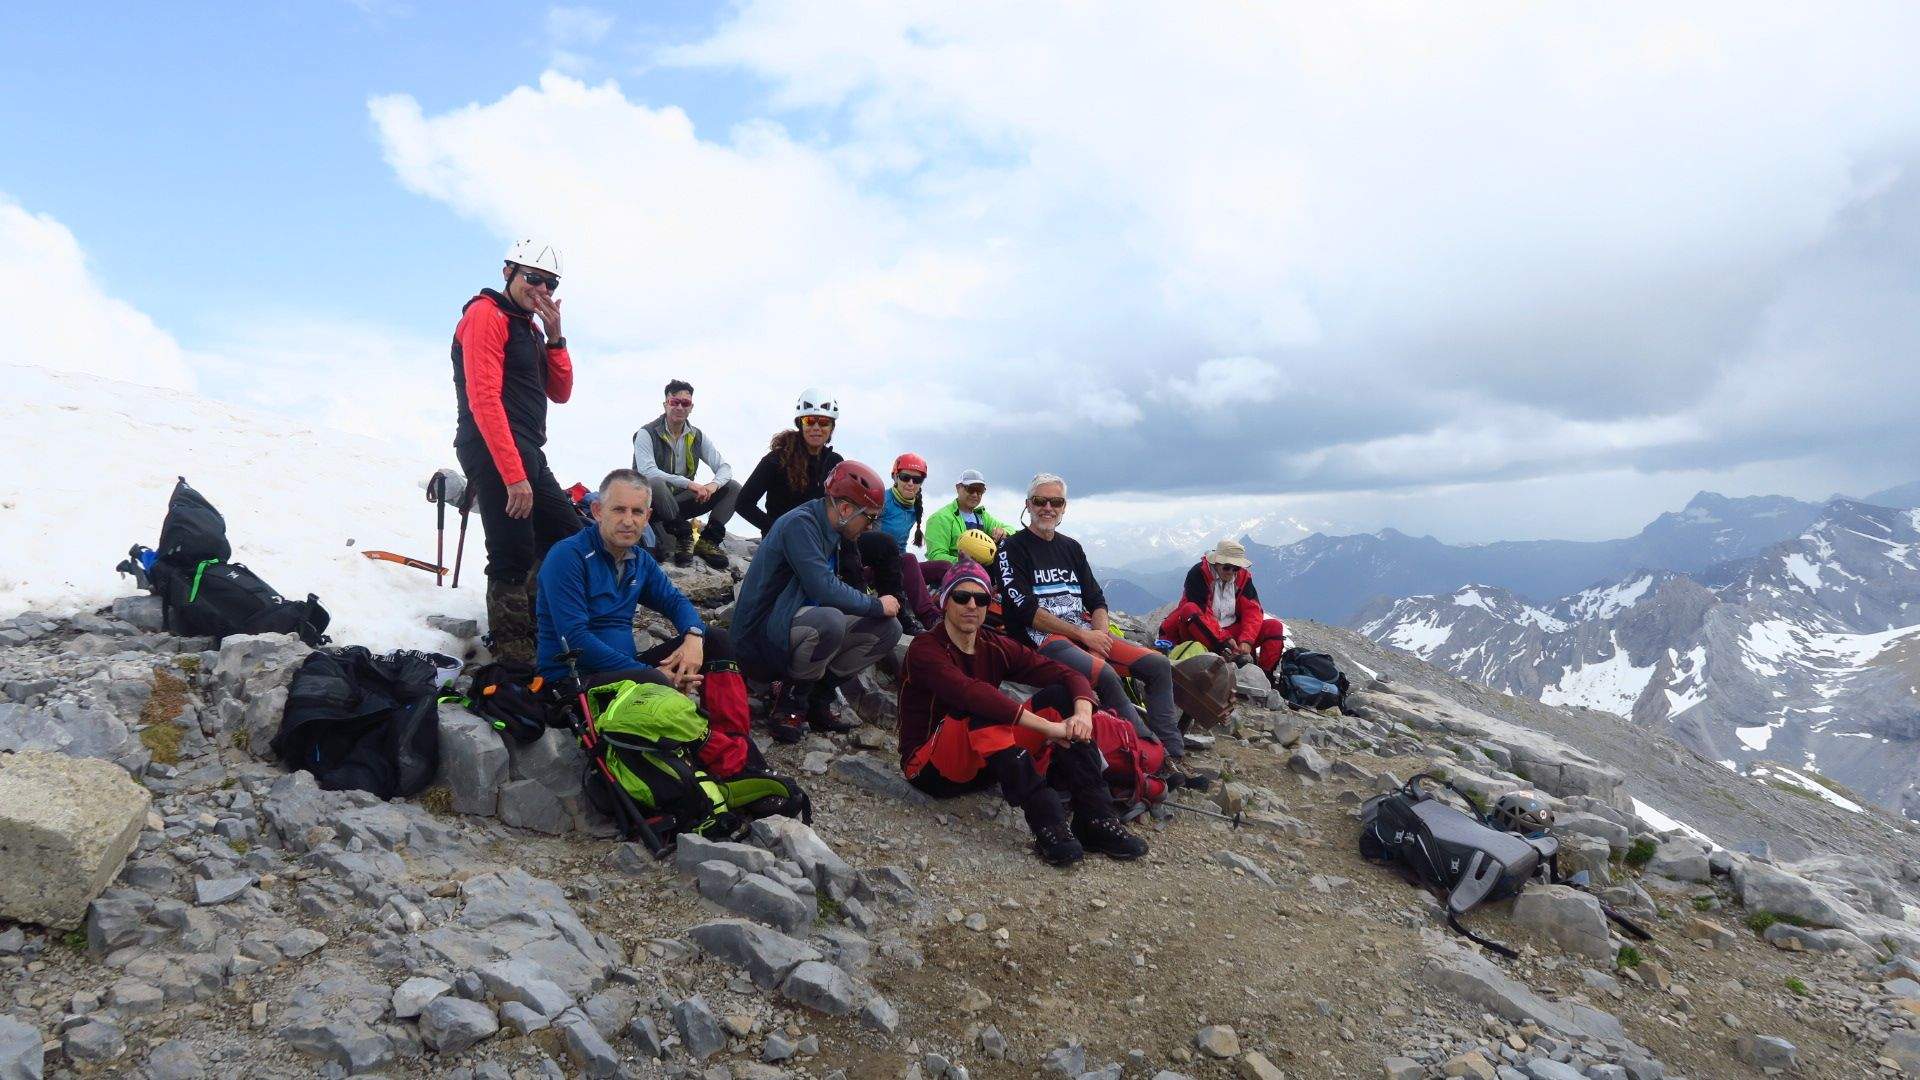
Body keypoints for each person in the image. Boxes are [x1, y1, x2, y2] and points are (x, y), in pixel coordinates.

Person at [899, 562, 1148, 866]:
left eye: (981, 599)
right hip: (930, 767)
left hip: (987, 760)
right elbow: (970, 694)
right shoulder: (925, 648)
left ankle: (1096, 818)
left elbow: (1068, 674)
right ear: (945, 601)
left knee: (1060, 697)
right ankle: (1048, 821)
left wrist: (1083, 714)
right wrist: (1049, 729)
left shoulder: (993, 645)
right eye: (961, 597)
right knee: (982, 705)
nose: (972, 606)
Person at [535, 470, 759, 776]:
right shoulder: (568, 557)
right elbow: (574, 639)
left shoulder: (639, 560)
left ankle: (735, 740)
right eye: (619, 509)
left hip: (625, 671)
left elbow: (675, 602)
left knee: (715, 639)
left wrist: (694, 636)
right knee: (657, 684)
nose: (628, 521)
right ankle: (732, 765)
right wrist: (650, 674)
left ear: (648, 516)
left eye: (637, 512)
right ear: (598, 511)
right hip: (573, 682)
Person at [995, 473, 1202, 787]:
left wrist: (1099, 637)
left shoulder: (1071, 548)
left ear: (1064, 507)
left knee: (1159, 665)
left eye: (1056, 502)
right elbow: (1025, 610)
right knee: (1103, 674)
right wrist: (1083, 637)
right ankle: (1151, 759)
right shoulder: (1012, 549)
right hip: (1042, 639)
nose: (1048, 508)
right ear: (1028, 505)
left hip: (1083, 633)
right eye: (1040, 501)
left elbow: (1096, 600)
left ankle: (1173, 752)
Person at [451, 238, 579, 666]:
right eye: (532, 278)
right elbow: (484, 399)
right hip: (490, 444)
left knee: (565, 534)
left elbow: (560, 392)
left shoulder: (530, 327)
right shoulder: (485, 314)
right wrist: (512, 474)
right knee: (512, 548)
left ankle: (537, 626)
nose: (540, 289)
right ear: (508, 272)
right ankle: (513, 656)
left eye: (549, 283)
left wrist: (556, 338)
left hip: (527, 449)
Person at [733, 460, 904, 744]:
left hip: (790, 626)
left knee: (888, 629)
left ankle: (816, 699)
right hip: (758, 640)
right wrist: (876, 604)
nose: (871, 526)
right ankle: (789, 704)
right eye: (869, 518)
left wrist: (878, 610)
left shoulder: (834, 530)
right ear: (846, 509)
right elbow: (824, 588)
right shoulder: (800, 524)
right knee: (830, 621)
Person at [737, 389, 925, 635]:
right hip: (793, 541)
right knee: (843, 549)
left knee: (883, 544)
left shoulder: (834, 461)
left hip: (832, 537)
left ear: (832, 427)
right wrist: (776, 529)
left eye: (824, 422)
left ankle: (896, 614)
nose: (816, 427)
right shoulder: (776, 460)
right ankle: (860, 610)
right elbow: (743, 502)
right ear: (800, 423)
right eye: (810, 421)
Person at [633, 379, 739, 570]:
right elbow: (647, 471)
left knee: (733, 487)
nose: (680, 407)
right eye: (675, 402)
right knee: (655, 482)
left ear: (691, 407)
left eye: (685, 403)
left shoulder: (697, 436)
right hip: (652, 506)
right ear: (666, 404)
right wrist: (688, 483)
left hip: (680, 503)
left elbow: (724, 467)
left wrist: (712, 486)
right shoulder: (646, 433)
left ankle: (708, 541)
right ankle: (683, 536)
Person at [1158, 539, 1287, 680]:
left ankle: (1263, 678)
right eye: (1227, 567)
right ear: (1216, 562)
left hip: (1230, 634)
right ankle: (1228, 657)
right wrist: (1225, 639)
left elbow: (1252, 610)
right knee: (1190, 609)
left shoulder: (1243, 577)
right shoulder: (1198, 573)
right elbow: (1202, 613)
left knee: (1274, 627)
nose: (1231, 572)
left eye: (1236, 568)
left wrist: (1247, 640)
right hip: (1199, 633)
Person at [869, 453, 937, 625]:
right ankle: (930, 618)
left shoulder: (915, 508)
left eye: (917, 479)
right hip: (873, 567)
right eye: (905, 477)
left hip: (898, 565)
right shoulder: (881, 500)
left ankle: (951, 616)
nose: (911, 483)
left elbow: (901, 546)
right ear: (895, 476)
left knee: (944, 567)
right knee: (909, 559)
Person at [923, 468, 1013, 576]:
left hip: (983, 577)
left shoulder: (982, 517)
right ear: (958, 488)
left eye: (980, 490)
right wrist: (964, 562)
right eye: (970, 489)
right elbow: (935, 556)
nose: (975, 494)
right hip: (951, 578)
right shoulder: (939, 518)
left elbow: (1011, 529)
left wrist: (1004, 532)